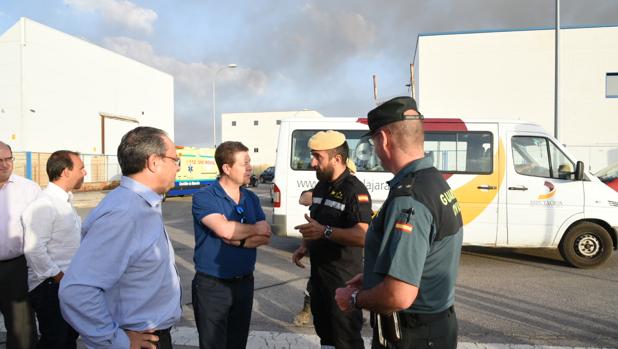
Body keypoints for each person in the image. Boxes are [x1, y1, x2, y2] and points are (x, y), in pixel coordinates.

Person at [335, 96, 464, 349]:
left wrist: (353, 298)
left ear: (383, 139)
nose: (375, 150)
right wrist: (374, 276)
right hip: (434, 329)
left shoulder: (409, 197)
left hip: (412, 334)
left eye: (373, 143)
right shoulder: (433, 181)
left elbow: (399, 295)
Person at [59, 126, 182, 349]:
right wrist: (117, 341)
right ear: (154, 162)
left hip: (149, 334)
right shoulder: (125, 213)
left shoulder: (141, 204)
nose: (178, 168)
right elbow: (77, 291)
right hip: (138, 339)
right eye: (175, 160)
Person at [293, 130, 372, 349]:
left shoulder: (354, 191)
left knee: (346, 339)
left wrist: (325, 231)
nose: (312, 162)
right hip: (319, 279)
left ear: (337, 159)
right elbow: (315, 222)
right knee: (325, 336)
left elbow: (363, 235)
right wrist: (304, 245)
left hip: (343, 281)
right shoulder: (321, 186)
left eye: (318, 156)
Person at [191, 141, 271, 349]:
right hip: (212, 287)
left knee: (238, 343)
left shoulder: (251, 198)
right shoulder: (204, 197)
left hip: (244, 283)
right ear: (226, 168)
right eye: (244, 163)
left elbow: (265, 234)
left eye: (249, 162)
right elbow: (225, 231)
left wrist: (237, 238)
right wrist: (234, 231)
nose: (250, 168)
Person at [22, 150, 86, 348]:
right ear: (66, 171)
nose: (84, 173)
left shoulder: (65, 200)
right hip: (50, 287)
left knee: (68, 338)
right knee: (55, 340)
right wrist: (58, 276)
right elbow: (33, 249)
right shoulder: (44, 204)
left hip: (65, 283)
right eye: (81, 168)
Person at [0, 141, 39, 349]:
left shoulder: (29, 189)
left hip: (15, 268)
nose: (4, 164)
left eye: (8, 159)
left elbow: (41, 229)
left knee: (21, 326)